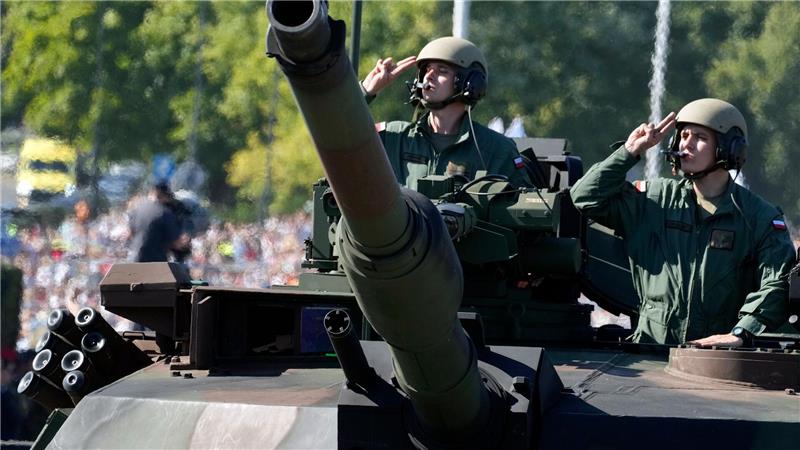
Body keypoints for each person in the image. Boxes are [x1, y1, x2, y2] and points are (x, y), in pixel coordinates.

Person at [570, 98, 796, 347]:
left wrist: (742, 333)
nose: (686, 144)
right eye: (683, 135)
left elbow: (777, 282)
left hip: (717, 358)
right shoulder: (654, 201)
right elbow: (585, 196)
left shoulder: (758, 217)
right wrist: (629, 151)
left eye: (700, 137)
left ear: (729, 148)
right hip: (650, 350)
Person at [360, 37, 531, 190]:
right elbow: (337, 143)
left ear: (469, 84)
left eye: (442, 71)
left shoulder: (497, 150)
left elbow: (523, 213)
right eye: (426, 70)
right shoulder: (394, 138)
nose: (429, 77)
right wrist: (365, 92)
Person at [128, 182, 190, 262]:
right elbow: (177, 243)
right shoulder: (165, 213)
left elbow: (131, 233)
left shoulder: (137, 208)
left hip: (134, 259)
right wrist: (186, 242)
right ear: (164, 196)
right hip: (155, 263)